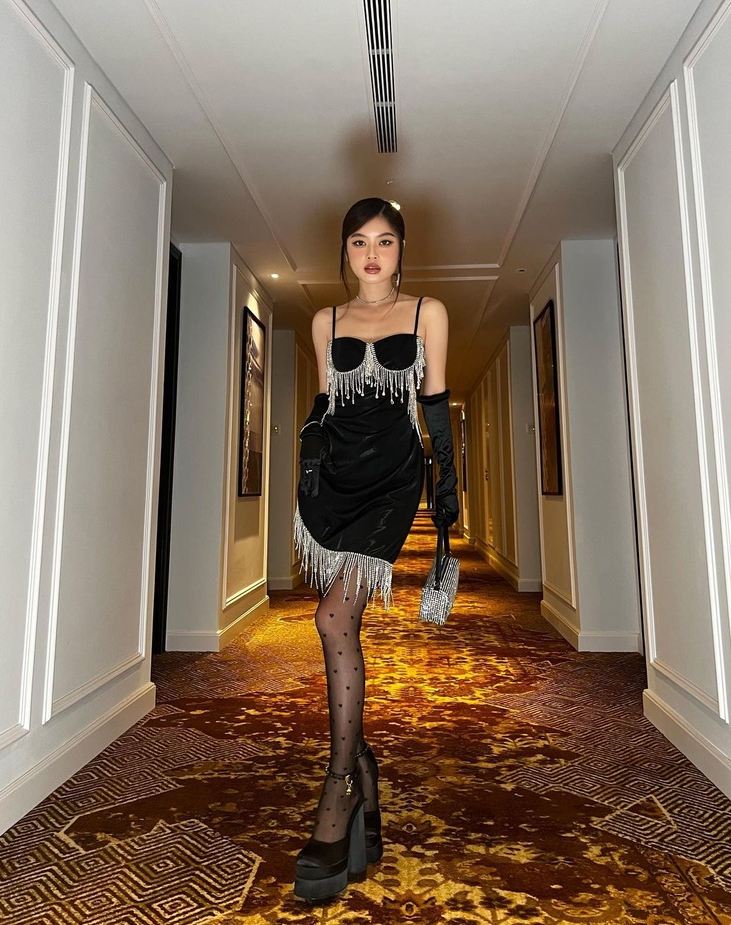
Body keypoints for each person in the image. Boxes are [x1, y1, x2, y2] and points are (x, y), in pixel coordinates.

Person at [292, 197, 459, 903]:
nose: (371, 254)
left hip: (393, 480)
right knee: (341, 623)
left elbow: (435, 405)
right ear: (345, 250)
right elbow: (323, 406)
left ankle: (341, 784)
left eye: (384, 241)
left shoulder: (427, 314)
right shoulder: (325, 321)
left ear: (400, 250)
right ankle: (363, 766)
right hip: (336, 478)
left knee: (332, 617)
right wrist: (307, 462)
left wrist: (446, 489)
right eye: (359, 241)